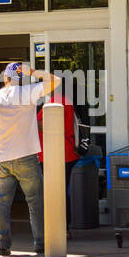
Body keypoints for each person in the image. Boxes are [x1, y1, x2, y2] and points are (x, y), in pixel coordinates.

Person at [0, 62, 60, 256]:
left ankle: (2, 244)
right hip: (26, 156)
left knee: (2, 204)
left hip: (2, 159)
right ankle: (41, 243)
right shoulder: (28, 92)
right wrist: (34, 72)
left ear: (5, 78)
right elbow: (55, 80)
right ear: (21, 78)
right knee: (35, 202)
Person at [36, 79, 80, 233]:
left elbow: (43, 124)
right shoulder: (66, 101)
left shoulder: (55, 102)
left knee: (54, 192)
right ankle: (64, 227)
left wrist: (29, 119)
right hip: (66, 152)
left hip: (54, 154)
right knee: (61, 190)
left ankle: (57, 227)